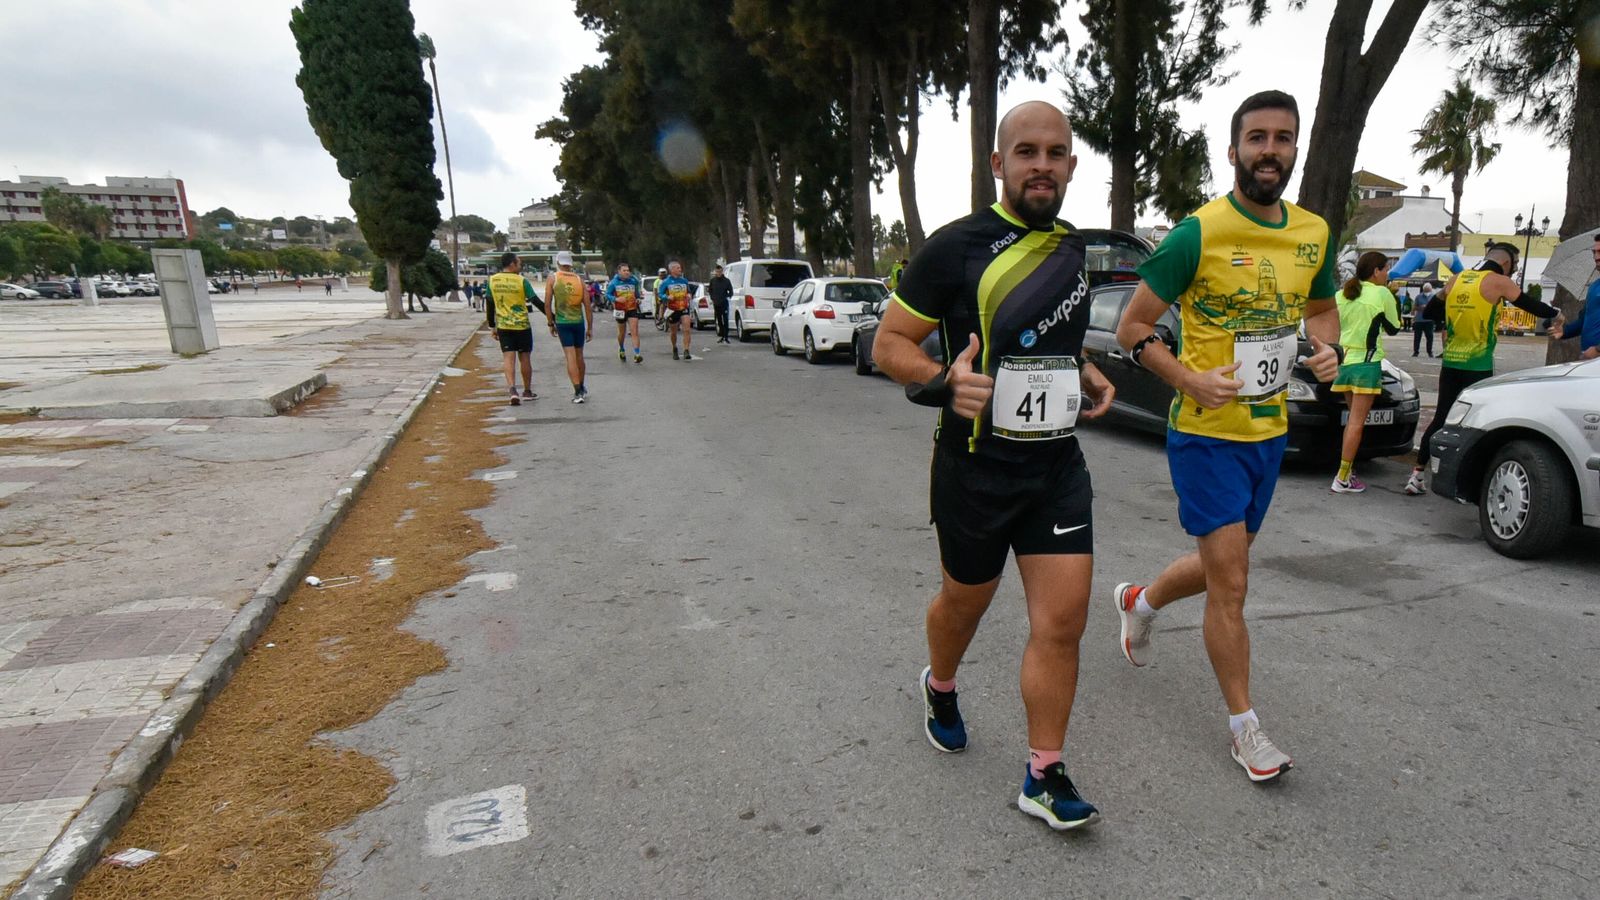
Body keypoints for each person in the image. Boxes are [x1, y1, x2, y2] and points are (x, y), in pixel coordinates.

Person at [873, 101, 1116, 832]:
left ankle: (1045, 775)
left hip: (1054, 469)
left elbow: (1046, 336)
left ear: (1071, 165)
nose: (1041, 164)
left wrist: (1086, 367)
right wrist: (945, 379)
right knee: (964, 604)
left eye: (1056, 152)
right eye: (1026, 151)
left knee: (1063, 622)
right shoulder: (954, 247)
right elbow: (889, 344)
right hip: (974, 470)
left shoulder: (1071, 247)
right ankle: (940, 685)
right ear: (998, 164)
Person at [1112, 90, 1343, 784]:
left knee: (1223, 564)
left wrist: (1326, 350)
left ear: (1295, 148)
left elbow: (1324, 311)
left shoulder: (1313, 233)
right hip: (1207, 434)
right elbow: (1132, 330)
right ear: (1235, 148)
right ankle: (1247, 729)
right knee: (1233, 585)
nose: (1269, 150)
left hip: (1268, 433)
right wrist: (1187, 379)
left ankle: (1139, 602)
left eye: (1282, 138)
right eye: (1256, 138)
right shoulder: (1198, 233)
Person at [1404, 242, 1564, 495]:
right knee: (1476, 422)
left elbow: (1433, 310)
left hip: (1452, 361)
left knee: (1442, 417)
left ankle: (1417, 475)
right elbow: (1530, 305)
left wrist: (1453, 320)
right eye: (1515, 265)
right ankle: (1467, 482)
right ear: (1506, 263)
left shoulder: (1457, 279)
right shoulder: (1498, 281)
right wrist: (1556, 313)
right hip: (1477, 364)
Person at [1329, 251, 1402, 493]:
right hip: (1366, 364)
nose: (1388, 274)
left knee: (1352, 421)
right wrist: (1395, 299)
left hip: (1345, 361)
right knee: (1357, 423)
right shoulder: (1381, 293)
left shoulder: (1342, 294)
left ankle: (1347, 471)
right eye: (1386, 269)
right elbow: (1394, 328)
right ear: (1376, 271)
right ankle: (1342, 477)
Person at [484, 251, 542, 406]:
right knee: (525, 358)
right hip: (522, 325)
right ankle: (527, 391)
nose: (520, 265)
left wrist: (492, 325)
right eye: (519, 262)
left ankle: (512, 390)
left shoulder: (492, 281)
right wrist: (552, 317)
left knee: (508, 358)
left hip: (504, 326)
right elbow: (535, 301)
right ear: (512, 264)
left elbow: (490, 304)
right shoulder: (521, 281)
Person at [545, 251, 593, 403]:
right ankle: (582, 386)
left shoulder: (553, 278)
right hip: (578, 322)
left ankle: (577, 390)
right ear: (571, 263)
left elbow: (547, 303)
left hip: (562, 321)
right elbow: (587, 305)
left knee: (570, 356)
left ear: (558, 262)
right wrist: (590, 327)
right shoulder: (579, 279)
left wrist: (550, 322)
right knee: (579, 356)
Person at [1555, 233, 1600, 360]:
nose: (1596, 257)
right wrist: (1564, 331)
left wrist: (1598, 349)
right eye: (1594, 252)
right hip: (1589, 360)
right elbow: (1584, 321)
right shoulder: (1594, 286)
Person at [606, 263, 645, 363]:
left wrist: (638, 299)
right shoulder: (614, 282)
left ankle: (637, 354)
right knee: (622, 333)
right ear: (619, 272)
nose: (627, 272)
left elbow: (636, 294)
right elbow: (607, 295)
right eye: (624, 270)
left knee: (634, 331)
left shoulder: (633, 281)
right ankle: (621, 348)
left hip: (632, 309)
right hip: (620, 310)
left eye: (628, 270)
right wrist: (616, 299)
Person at [659, 261, 694, 360]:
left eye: (680, 267)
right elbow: (660, 294)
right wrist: (667, 296)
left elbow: (689, 291)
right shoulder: (666, 282)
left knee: (687, 329)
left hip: (683, 307)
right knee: (673, 332)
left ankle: (686, 350)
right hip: (672, 309)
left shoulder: (684, 281)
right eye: (678, 268)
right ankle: (674, 347)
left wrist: (689, 295)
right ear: (672, 270)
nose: (680, 269)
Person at [708, 264, 734, 343]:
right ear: (715, 272)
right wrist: (713, 298)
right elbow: (710, 290)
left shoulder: (726, 281)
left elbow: (731, 291)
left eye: (720, 271)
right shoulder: (713, 281)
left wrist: (727, 296)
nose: (718, 273)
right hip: (716, 303)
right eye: (717, 272)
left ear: (722, 271)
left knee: (725, 320)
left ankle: (726, 336)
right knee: (719, 320)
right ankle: (722, 335)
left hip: (724, 303)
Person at [1412, 281, 1437, 356]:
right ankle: (1416, 351)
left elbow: (1436, 308)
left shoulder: (1433, 297)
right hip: (1419, 320)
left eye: (1428, 290)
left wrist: (1428, 308)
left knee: (1430, 337)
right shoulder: (1418, 297)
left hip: (1429, 320)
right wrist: (1420, 307)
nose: (1427, 292)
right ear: (1423, 290)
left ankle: (1430, 351)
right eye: (1425, 290)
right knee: (1417, 337)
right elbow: (1414, 307)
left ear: (1431, 290)